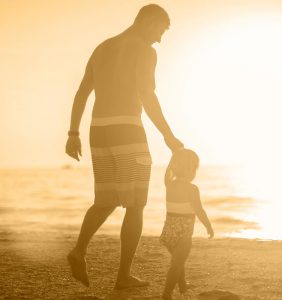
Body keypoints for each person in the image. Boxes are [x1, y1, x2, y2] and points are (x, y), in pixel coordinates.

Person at [65, 4, 183, 289]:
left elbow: (82, 92)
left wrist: (72, 133)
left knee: (105, 200)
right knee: (136, 204)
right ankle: (123, 277)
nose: (159, 39)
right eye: (160, 30)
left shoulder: (102, 47)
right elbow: (147, 95)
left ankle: (78, 251)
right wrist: (168, 135)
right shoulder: (145, 50)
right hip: (128, 130)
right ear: (149, 21)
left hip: (98, 131)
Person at [160, 149, 214, 300]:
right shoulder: (192, 189)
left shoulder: (169, 184)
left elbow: (167, 172)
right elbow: (199, 210)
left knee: (179, 260)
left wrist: (173, 156)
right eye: (195, 169)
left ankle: (182, 285)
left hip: (168, 232)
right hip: (183, 234)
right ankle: (166, 294)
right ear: (191, 170)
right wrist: (208, 226)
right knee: (176, 264)